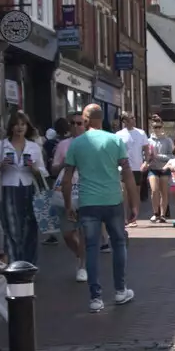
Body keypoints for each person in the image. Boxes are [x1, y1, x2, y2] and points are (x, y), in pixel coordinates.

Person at [61, 103, 135, 312]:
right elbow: (127, 174)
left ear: (85, 121)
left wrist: (68, 205)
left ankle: (95, 298)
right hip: (112, 200)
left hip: (88, 202)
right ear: (101, 119)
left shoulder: (76, 144)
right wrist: (134, 204)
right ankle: (120, 291)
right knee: (118, 244)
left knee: (91, 249)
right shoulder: (115, 140)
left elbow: (67, 180)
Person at [0, 111, 45, 265]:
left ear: (27, 127)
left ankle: (28, 265)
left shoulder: (33, 146)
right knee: (11, 229)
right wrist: (0, 165)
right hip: (8, 190)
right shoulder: (1, 145)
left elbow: (43, 172)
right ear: (11, 127)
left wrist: (33, 168)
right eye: (16, 124)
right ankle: (14, 264)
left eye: (23, 124)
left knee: (30, 229)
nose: (19, 128)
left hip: (28, 190)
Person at [53, 114, 89, 282]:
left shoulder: (91, 143)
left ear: (85, 125)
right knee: (68, 234)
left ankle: (82, 265)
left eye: (79, 123)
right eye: (72, 123)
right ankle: (79, 255)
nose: (76, 126)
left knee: (83, 230)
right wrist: (65, 164)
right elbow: (53, 170)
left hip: (85, 191)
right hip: (65, 191)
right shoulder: (63, 145)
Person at [117, 116, 150, 226]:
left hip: (137, 167)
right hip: (124, 167)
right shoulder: (118, 134)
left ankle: (134, 217)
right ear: (124, 121)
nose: (133, 120)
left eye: (134, 118)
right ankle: (124, 218)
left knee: (135, 193)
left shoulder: (141, 133)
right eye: (130, 118)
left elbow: (146, 148)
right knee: (123, 192)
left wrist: (146, 162)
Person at [147, 116, 174, 223]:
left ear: (162, 127)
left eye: (159, 127)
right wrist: (148, 158)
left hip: (164, 168)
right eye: (155, 127)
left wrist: (158, 156)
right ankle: (155, 213)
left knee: (164, 192)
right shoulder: (149, 141)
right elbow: (144, 155)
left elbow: (172, 156)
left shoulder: (167, 140)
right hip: (153, 168)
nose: (157, 129)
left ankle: (163, 214)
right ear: (151, 128)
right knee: (154, 190)